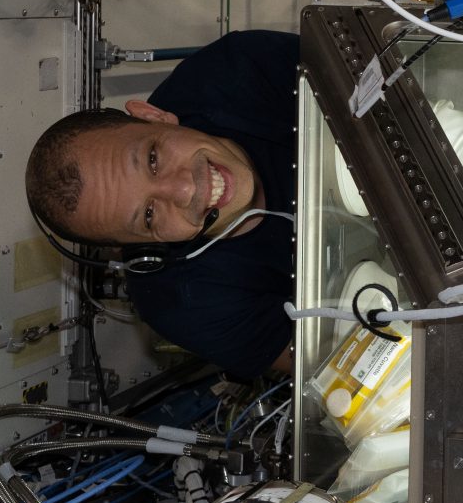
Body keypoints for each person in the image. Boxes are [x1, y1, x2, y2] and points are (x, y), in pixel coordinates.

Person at [23, 30, 298, 379]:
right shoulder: (188, 304)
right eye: (149, 215)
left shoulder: (237, 71)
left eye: (153, 159)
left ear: (153, 115)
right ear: (141, 249)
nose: (185, 189)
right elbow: (337, 363)